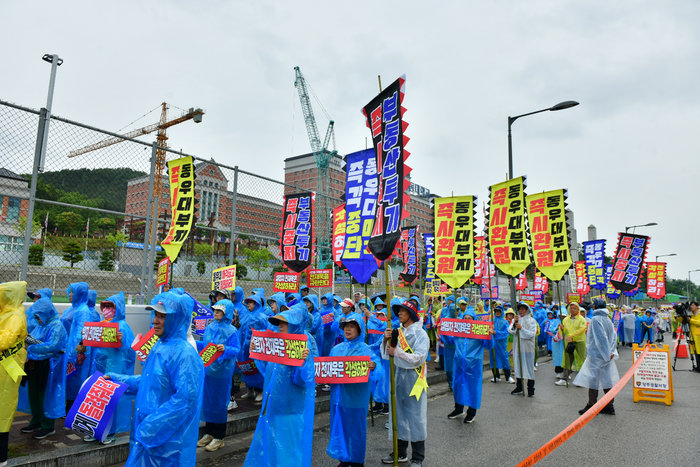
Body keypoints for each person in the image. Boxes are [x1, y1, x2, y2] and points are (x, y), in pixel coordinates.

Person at [106, 292, 205, 467]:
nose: (155, 321)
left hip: (167, 444)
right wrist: (115, 379)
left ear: (177, 319)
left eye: (162, 316)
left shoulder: (184, 354)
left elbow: (184, 400)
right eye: (155, 315)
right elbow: (148, 382)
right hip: (147, 436)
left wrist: (150, 427)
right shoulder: (159, 346)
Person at [243, 304, 315, 467]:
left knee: (288, 453)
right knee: (274, 450)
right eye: (279, 322)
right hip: (273, 405)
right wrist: (257, 353)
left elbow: (303, 381)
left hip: (290, 409)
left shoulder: (303, 345)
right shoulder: (277, 344)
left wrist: (303, 363)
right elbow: (267, 372)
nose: (280, 326)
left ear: (295, 325)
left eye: (285, 322)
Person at [326, 313, 381, 467]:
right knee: (341, 427)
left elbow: (378, 370)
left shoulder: (366, 350)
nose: (348, 329)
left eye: (352, 326)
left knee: (356, 430)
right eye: (346, 326)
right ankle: (344, 458)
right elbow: (328, 369)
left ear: (360, 330)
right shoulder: (336, 349)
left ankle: (357, 461)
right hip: (338, 398)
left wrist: (373, 366)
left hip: (356, 399)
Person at [381, 300, 429, 466]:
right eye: (399, 311)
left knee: (416, 418)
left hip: (414, 380)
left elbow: (419, 358)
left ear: (411, 314)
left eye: (403, 311)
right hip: (398, 378)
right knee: (398, 416)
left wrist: (398, 352)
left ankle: (418, 457)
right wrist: (385, 340)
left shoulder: (420, 334)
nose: (399, 313)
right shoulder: (397, 332)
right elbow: (387, 354)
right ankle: (400, 452)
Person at [86, 292, 135, 444]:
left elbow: (131, 351)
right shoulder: (101, 323)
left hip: (115, 367)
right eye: (105, 306)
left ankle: (110, 432)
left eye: (110, 306)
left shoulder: (123, 326)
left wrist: (122, 341)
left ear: (117, 308)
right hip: (99, 366)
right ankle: (95, 430)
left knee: (111, 400)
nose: (107, 309)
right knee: (97, 398)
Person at [196, 299, 240, 452]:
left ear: (226, 313)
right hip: (208, 371)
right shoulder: (210, 327)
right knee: (208, 402)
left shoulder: (232, 331)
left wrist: (225, 349)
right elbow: (205, 345)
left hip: (222, 373)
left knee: (220, 403)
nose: (216, 312)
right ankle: (209, 433)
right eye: (215, 309)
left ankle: (219, 437)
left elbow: (236, 349)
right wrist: (193, 343)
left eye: (220, 310)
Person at [22, 297, 67, 441]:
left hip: (49, 367)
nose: (37, 319)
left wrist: (30, 349)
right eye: (35, 316)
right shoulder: (41, 325)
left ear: (46, 312)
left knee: (45, 396)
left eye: (39, 316)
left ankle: (48, 426)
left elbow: (52, 347)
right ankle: (36, 421)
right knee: (33, 394)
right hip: (34, 365)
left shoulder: (56, 326)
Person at [447, 298, 494, 423]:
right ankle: (458, 409)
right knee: (457, 386)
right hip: (459, 365)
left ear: (474, 320)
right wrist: (443, 331)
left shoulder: (479, 331)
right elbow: (449, 341)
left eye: (470, 318)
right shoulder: (459, 331)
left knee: (473, 387)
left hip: (473, 366)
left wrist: (489, 335)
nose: (467, 320)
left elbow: (489, 346)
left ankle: (471, 412)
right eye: (465, 318)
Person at [574, 298, 619, 415]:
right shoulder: (607, 319)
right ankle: (609, 406)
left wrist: (606, 354)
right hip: (606, 355)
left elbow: (601, 338)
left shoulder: (595, 319)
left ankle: (591, 405)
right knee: (607, 380)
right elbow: (613, 336)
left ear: (594, 307)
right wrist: (611, 352)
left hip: (598, 355)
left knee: (593, 379)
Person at [0, 281, 28, 465]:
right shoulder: (7, 313)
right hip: (5, 368)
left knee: (3, 409)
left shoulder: (15, 315)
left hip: (6, 369)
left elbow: (5, 341)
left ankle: (1, 458)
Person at [63, 282, 95, 409]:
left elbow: (81, 333)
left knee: (76, 380)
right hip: (69, 349)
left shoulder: (83, 311)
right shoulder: (72, 308)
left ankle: (73, 409)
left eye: (73, 292)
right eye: (70, 291)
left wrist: (74, 352)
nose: (70, 294)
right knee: (70, 380)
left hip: (77, 352)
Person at [239, 294, 268, 402]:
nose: (248, 305)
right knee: (247, 369)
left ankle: (260, 391)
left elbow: (267, 332)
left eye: (251, 303)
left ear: (257, 304)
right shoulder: (247, 316)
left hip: (256, 348)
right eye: (248, 303)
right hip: (245, 347)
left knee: (258, 369)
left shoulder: (262, 317)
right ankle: (249, 390)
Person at [509, 302, 537, 397]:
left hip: (528, 348)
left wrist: (521, 329)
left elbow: (532, 334)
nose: (521, 311)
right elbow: (511, 330)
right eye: (519, 309)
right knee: (518, 366)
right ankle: (519, 387)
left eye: (523, 309)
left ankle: (531, 388)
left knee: (529, 368)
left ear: (526, 310)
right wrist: (515, 323)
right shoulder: (516, 319)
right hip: (518, 347)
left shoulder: (532, 321)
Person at [556, 302, 587, 386]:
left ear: (578, 309)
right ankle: (564, 378)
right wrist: (561, 329)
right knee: (567, 359)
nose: (572, 310)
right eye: (571, 308)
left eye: (574, 308)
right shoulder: (566, 319)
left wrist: (572, 336)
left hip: (579, 341)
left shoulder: (581, 319)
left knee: (580, 359)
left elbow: (582, 329)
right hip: (569, 342)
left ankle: (581, 380)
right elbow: (563, 331)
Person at [490, 305, 514, 383]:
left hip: (501, 344)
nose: (497, 312)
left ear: (502, 312)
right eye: (496, 311)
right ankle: (496, 376)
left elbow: (506, 333)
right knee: (493, 359)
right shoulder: (491, 321)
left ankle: (508, 377)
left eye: (499, 311)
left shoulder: (505, 322)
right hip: (493, 343)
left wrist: (496, 332)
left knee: (504, 359)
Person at [439, 295, 457, 388]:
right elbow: (443, 334)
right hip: (448, 346)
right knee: (449, 364)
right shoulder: (445, 320)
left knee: (457, 364)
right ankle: (450, 382)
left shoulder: (460, 321)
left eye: (456, 310)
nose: (455, 312)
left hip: (457, 347)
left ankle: (455, 382)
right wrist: (449, 340)